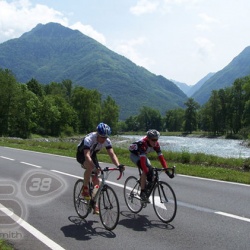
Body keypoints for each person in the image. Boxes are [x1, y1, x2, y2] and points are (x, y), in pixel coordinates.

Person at [76, 122, 124, 214]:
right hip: (82, 154)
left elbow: (112, 154)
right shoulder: (89, 139)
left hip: (92, 154)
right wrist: (93, 167)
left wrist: (118, 165)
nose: (104, 139)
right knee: (90, 168)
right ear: (97, 134)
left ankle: (94, 202)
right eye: (102, 137)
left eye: (105, 137)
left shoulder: (107, 140)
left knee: (97, 180)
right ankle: (85, 188)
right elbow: (86, 155)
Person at [129, 129, 174, 202]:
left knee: (150, 171)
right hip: (135, 155)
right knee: (146, 169)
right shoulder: (143, 143)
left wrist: (167, 171)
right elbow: (143, 163)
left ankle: (143, 182)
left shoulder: (156, 144)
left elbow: (161, 158)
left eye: (156, 139)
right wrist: (147, 171)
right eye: (153, 140)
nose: (155, 141)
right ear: (148, 139)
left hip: (142, 155)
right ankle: (142, 192)